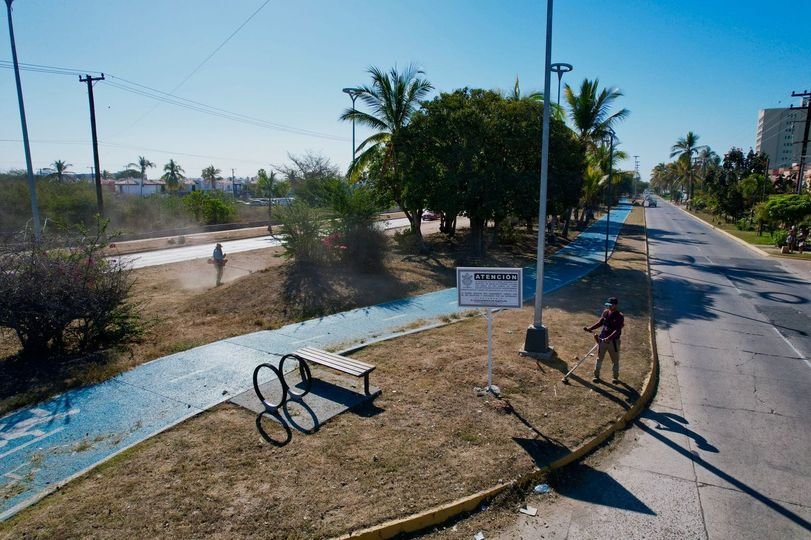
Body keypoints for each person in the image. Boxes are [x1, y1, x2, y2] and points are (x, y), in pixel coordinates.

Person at [583, 296, 624, 384]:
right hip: (602, 340)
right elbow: (600, 323)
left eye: (610, 305)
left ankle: (615, 378)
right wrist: (590, 328)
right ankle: (596, 376)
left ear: (615, 305)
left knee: (615, 360)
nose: (608, 307)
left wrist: (608, 338)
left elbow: (617, 330)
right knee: (599, 359)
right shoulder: (605, 312)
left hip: (613, 342)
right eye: (607, 305)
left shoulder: (620, 316)